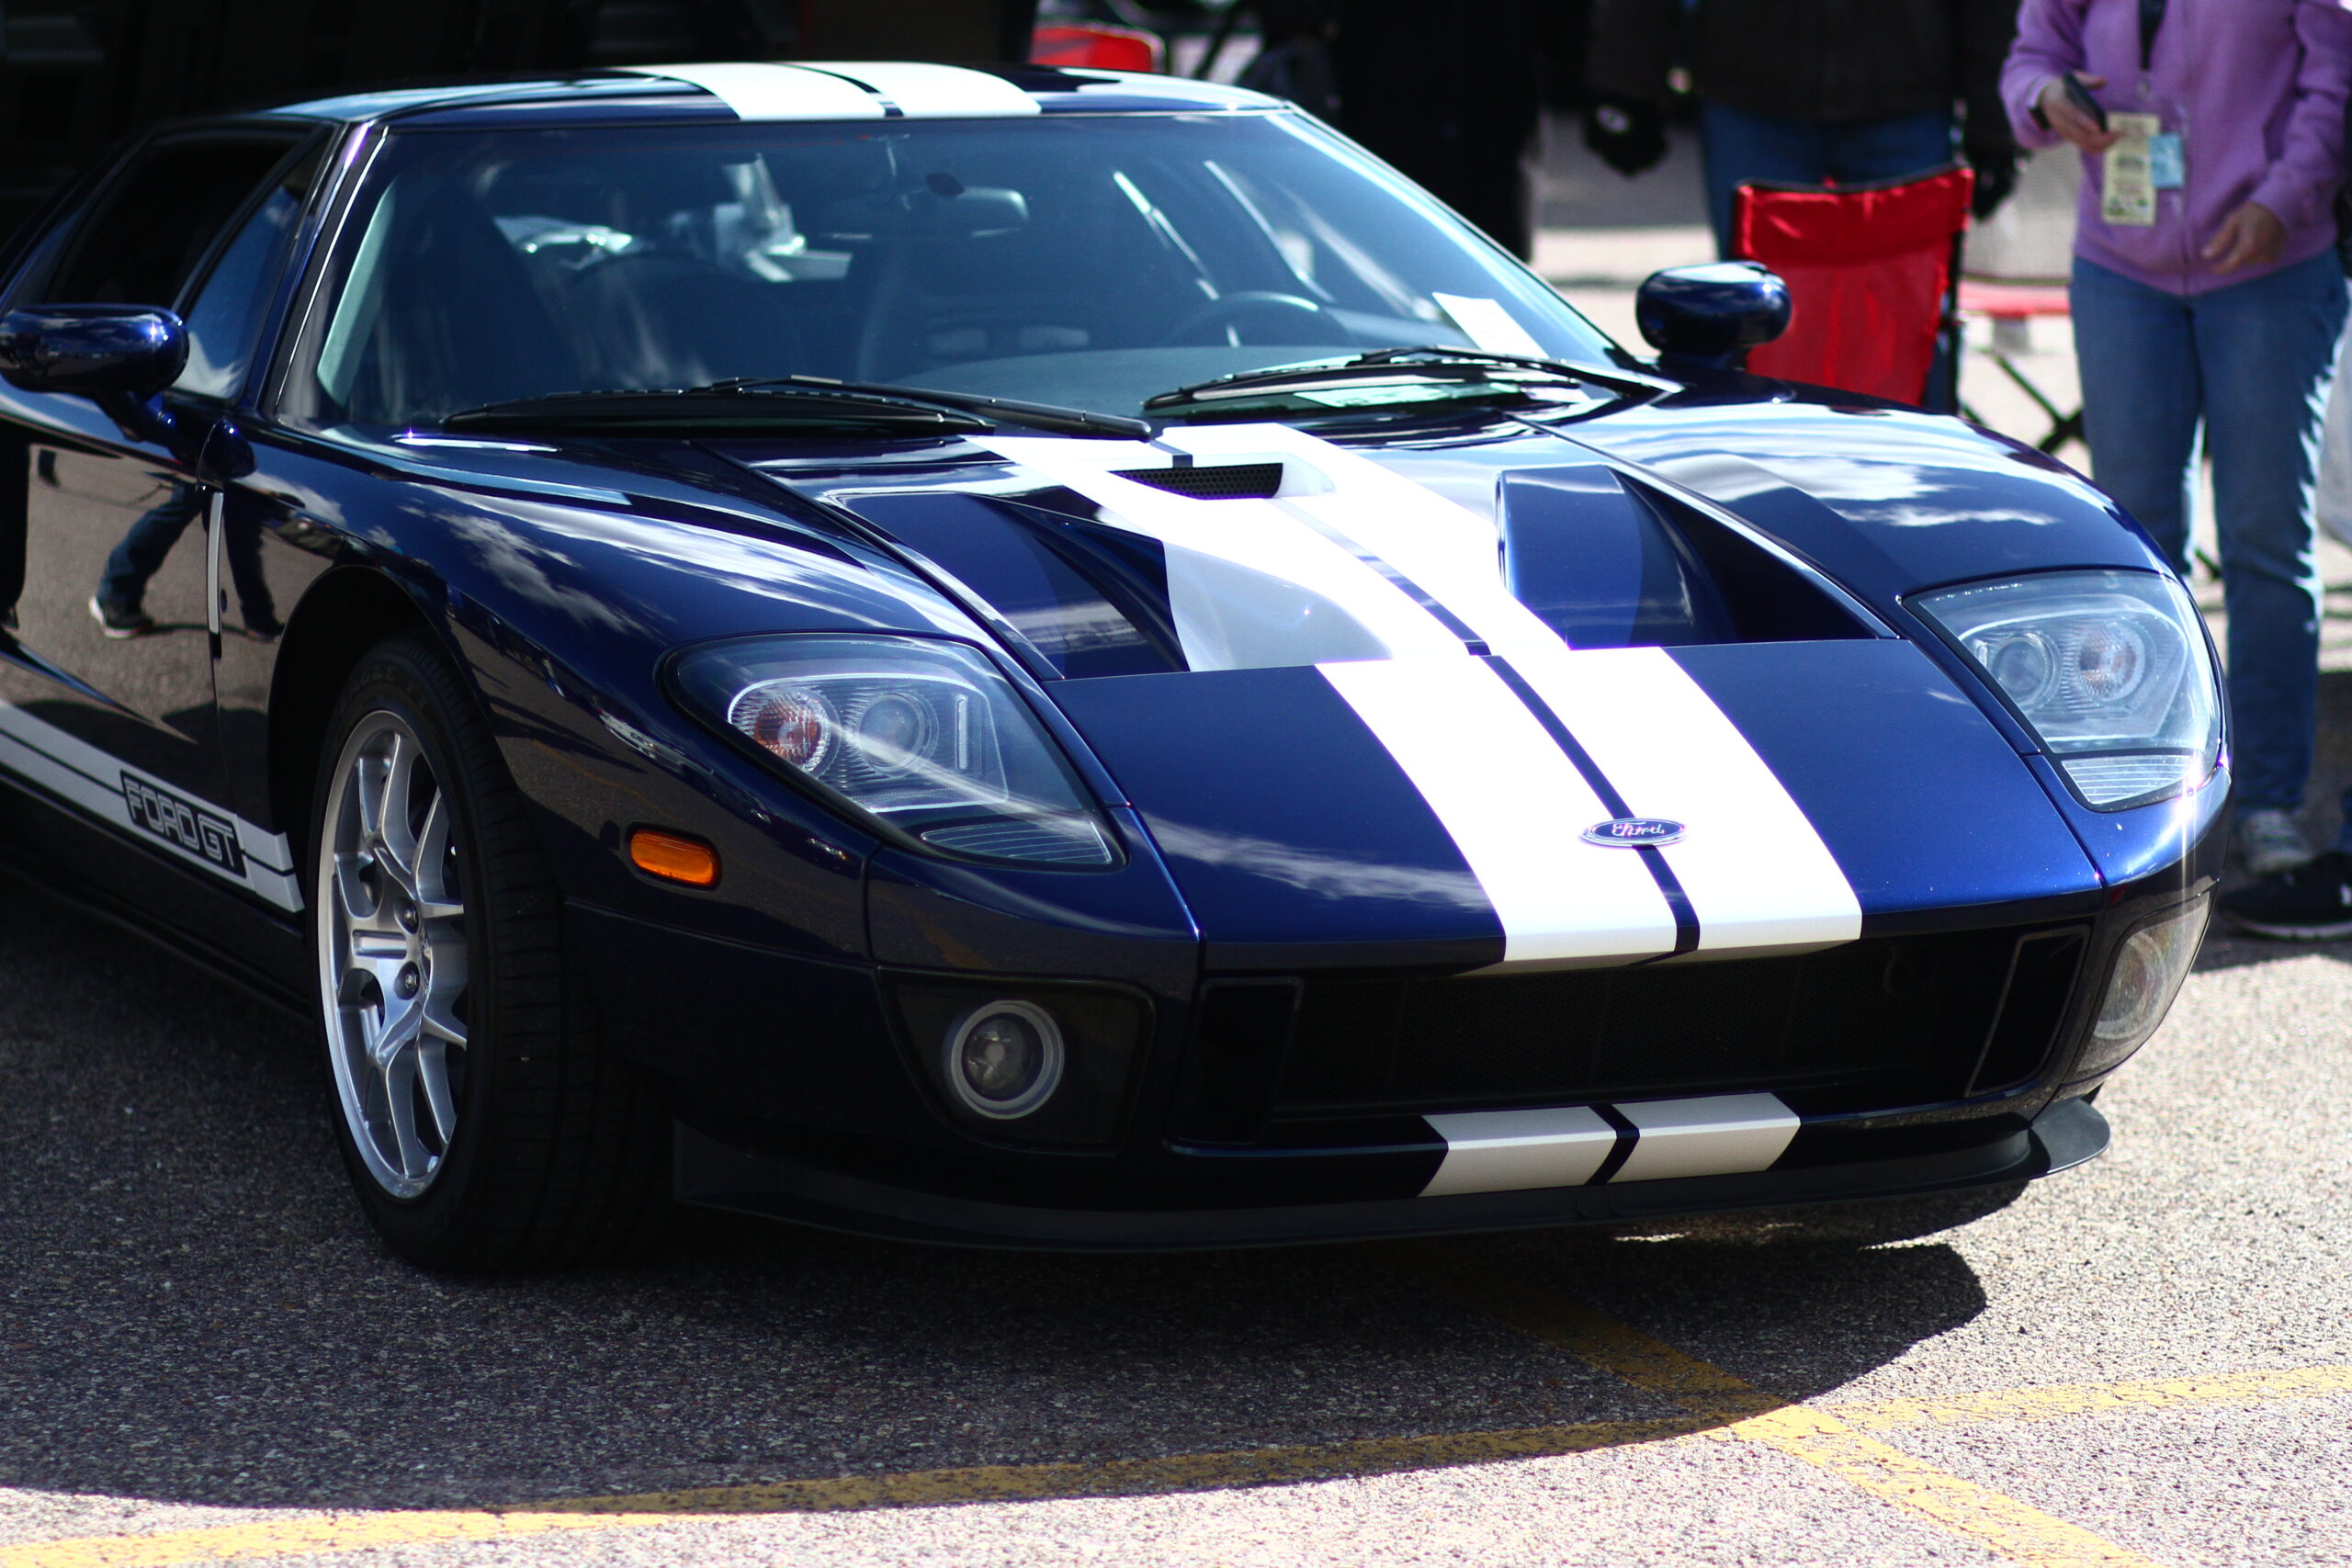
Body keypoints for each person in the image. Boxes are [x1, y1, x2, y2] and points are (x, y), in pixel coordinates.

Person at [2005, 0, 2352, 897]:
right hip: (2122, 270)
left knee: (2264, 538)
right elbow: (2030, 57)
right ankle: (2148, 805)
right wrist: (2046, 97)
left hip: (2272, 267)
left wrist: (2283, 198)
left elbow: (2336, 80)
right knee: (2135, 548)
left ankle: (2268, 803)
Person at [1583, 0, 2022, 254]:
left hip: (1906, 103)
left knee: (1905, 319)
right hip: (1753, 99)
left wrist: (1997, 124)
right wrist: (1625, 82)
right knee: (1758, 318)